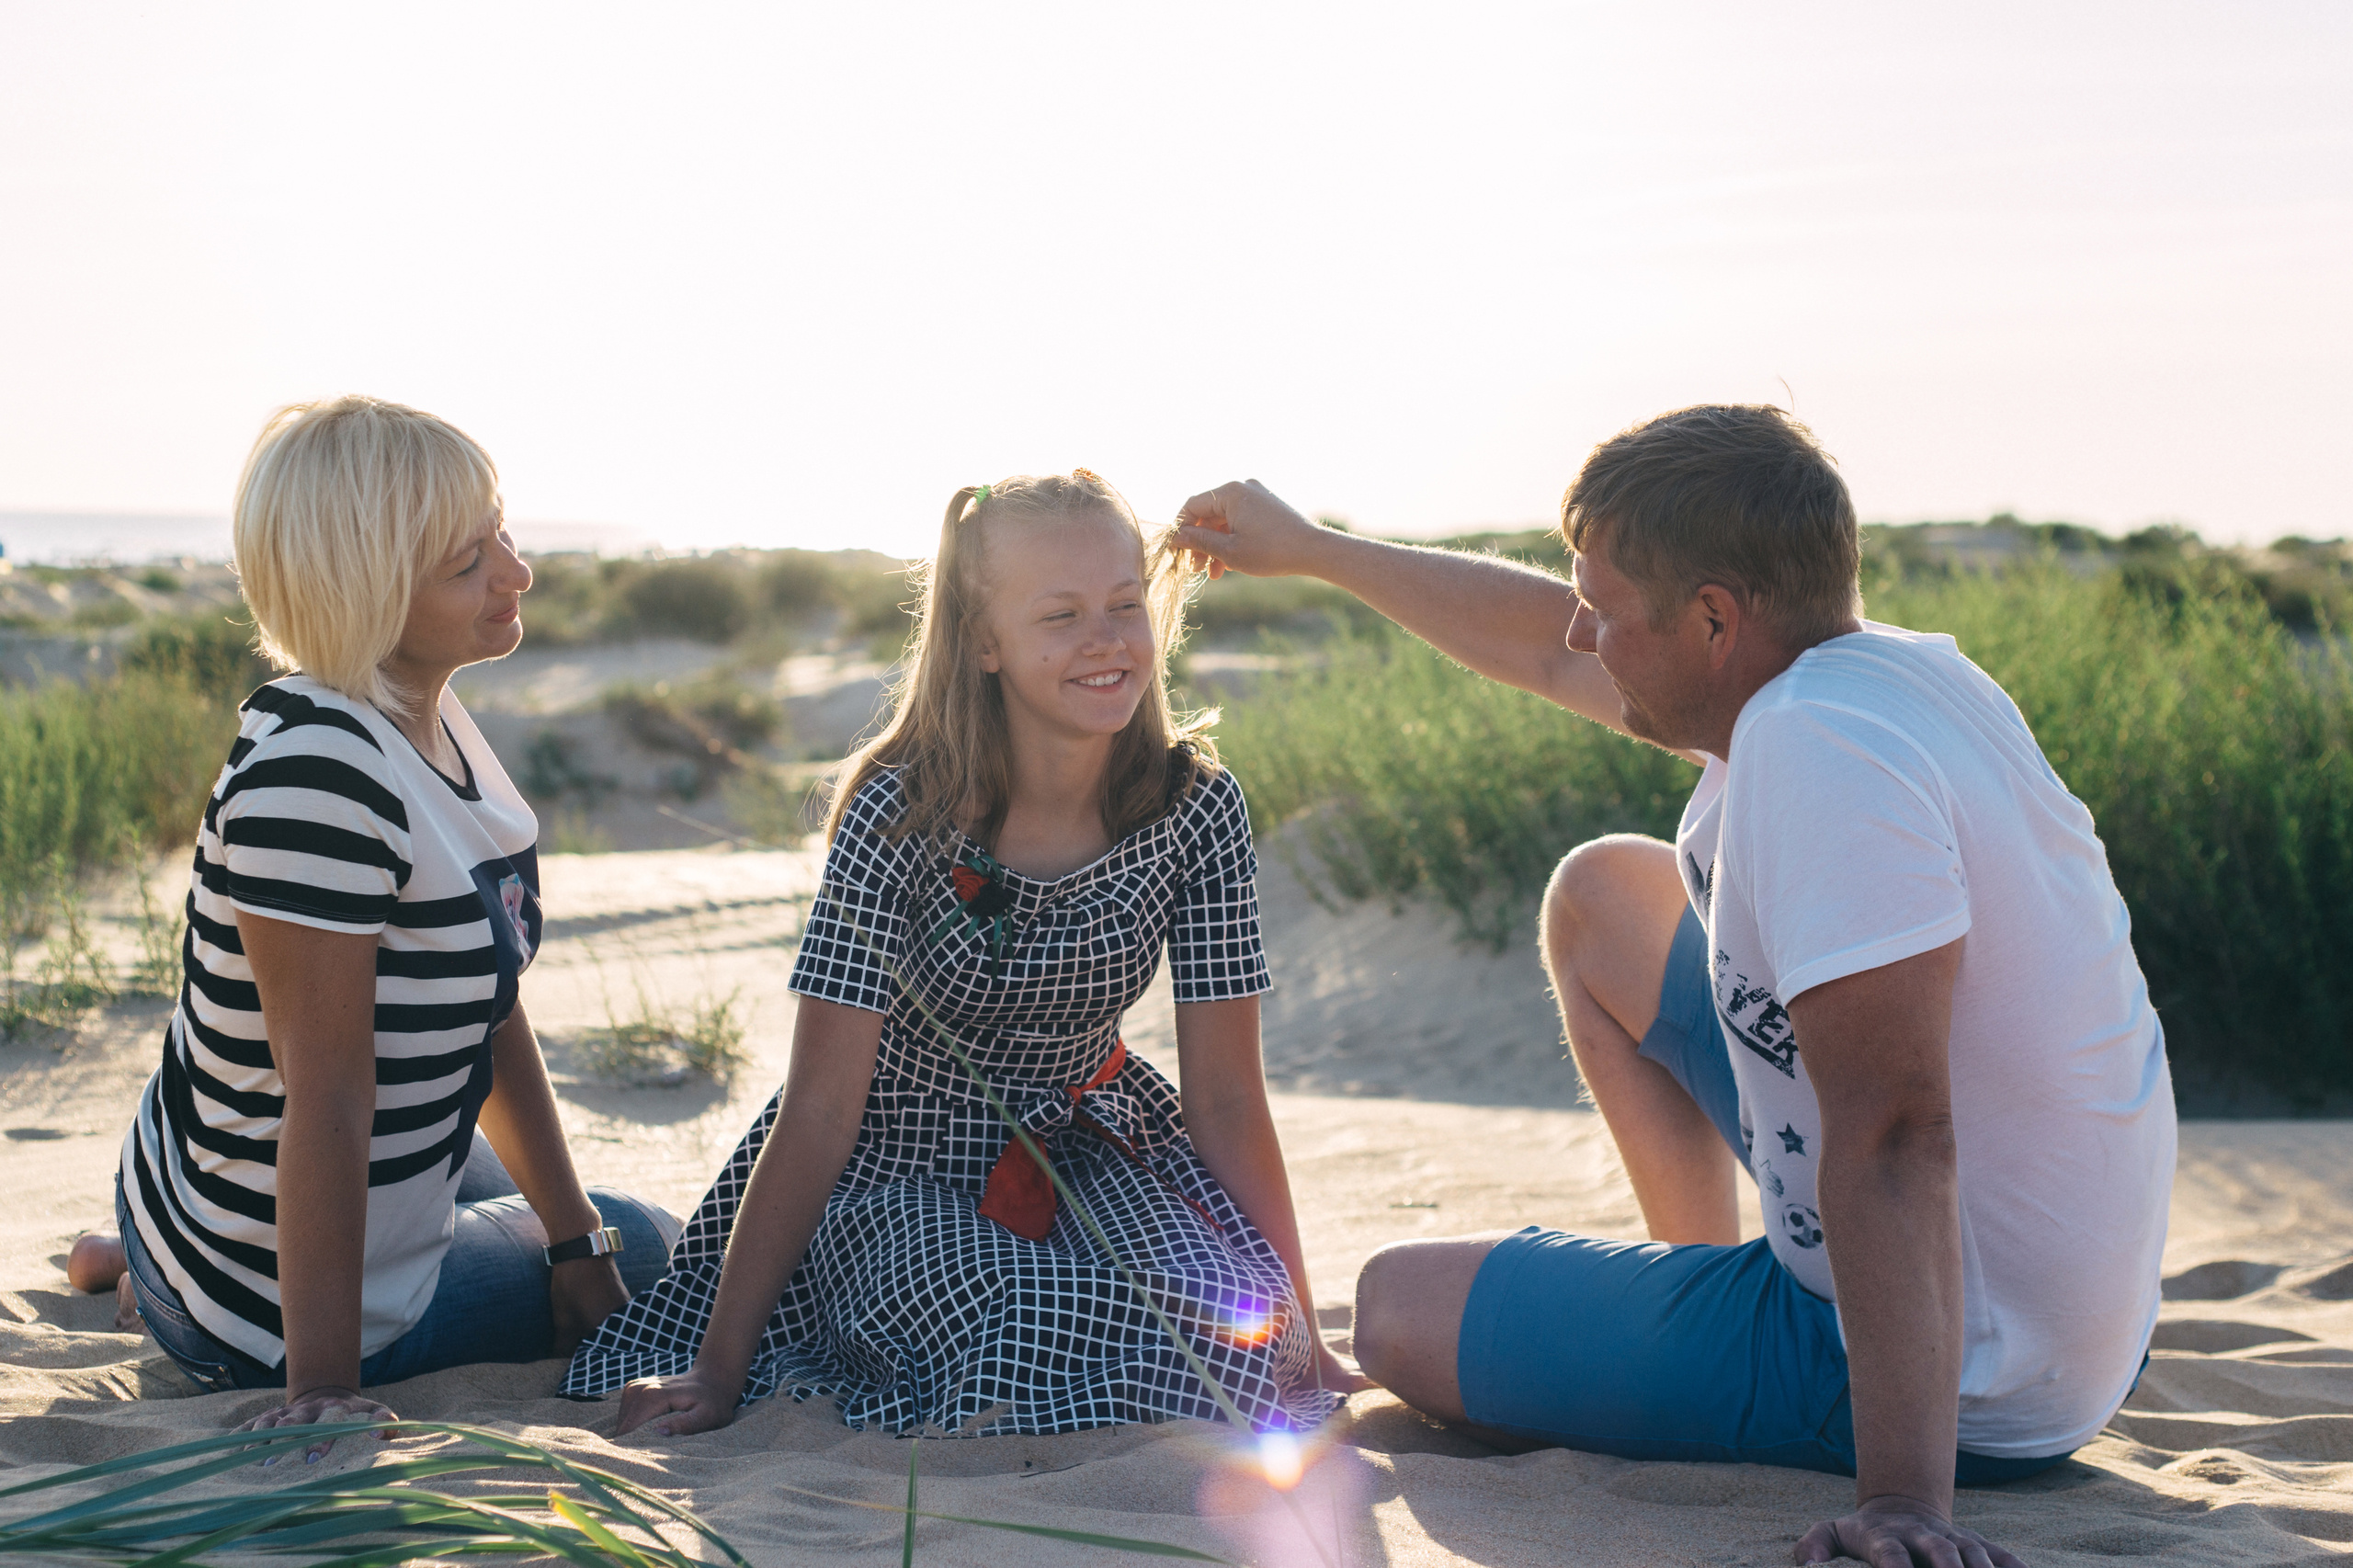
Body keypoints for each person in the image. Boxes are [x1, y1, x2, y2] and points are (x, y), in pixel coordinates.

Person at [1172, 406, 2175, 1568]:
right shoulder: (1864, 672)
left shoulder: (1818, 753)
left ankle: (1735, 1356)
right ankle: (1690, 1289)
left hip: (1971, 1366)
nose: (1583, 632)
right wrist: (1318, 547)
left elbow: (1901, 1130)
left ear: (1711, 618)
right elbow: (1546, 646)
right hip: (2074, 1304)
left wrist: (1904, 1502)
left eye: (1605, 605)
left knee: (1397, 1310)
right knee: (1607, 898)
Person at [566, 470, 1363, 1438]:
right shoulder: (898, 813)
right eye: (1060, 615)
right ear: (985, 640)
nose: (1106, 639)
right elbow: (820, 1107)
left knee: (1233, 1330)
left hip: (1085, 1143)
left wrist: (1308, 1338)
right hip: (894, 1160)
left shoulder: (1195, 807)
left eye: (1124, 604)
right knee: (1010, 1320)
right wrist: (719, 1369)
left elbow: (1228, 1099)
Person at [68, 395, 676, 1461]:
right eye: (465, 562)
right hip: (263, 1311)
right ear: (367, 592)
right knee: (663, 1243)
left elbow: (486, 1006)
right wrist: (325, 1385)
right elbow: (331, 1095)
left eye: (502, 534)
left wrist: (577, 1235)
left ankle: (138, 1257)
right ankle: (167, 1285)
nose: (515, 573)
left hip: (250, 1183)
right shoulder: (316, 774)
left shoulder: (423, 713)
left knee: (602, 1227)